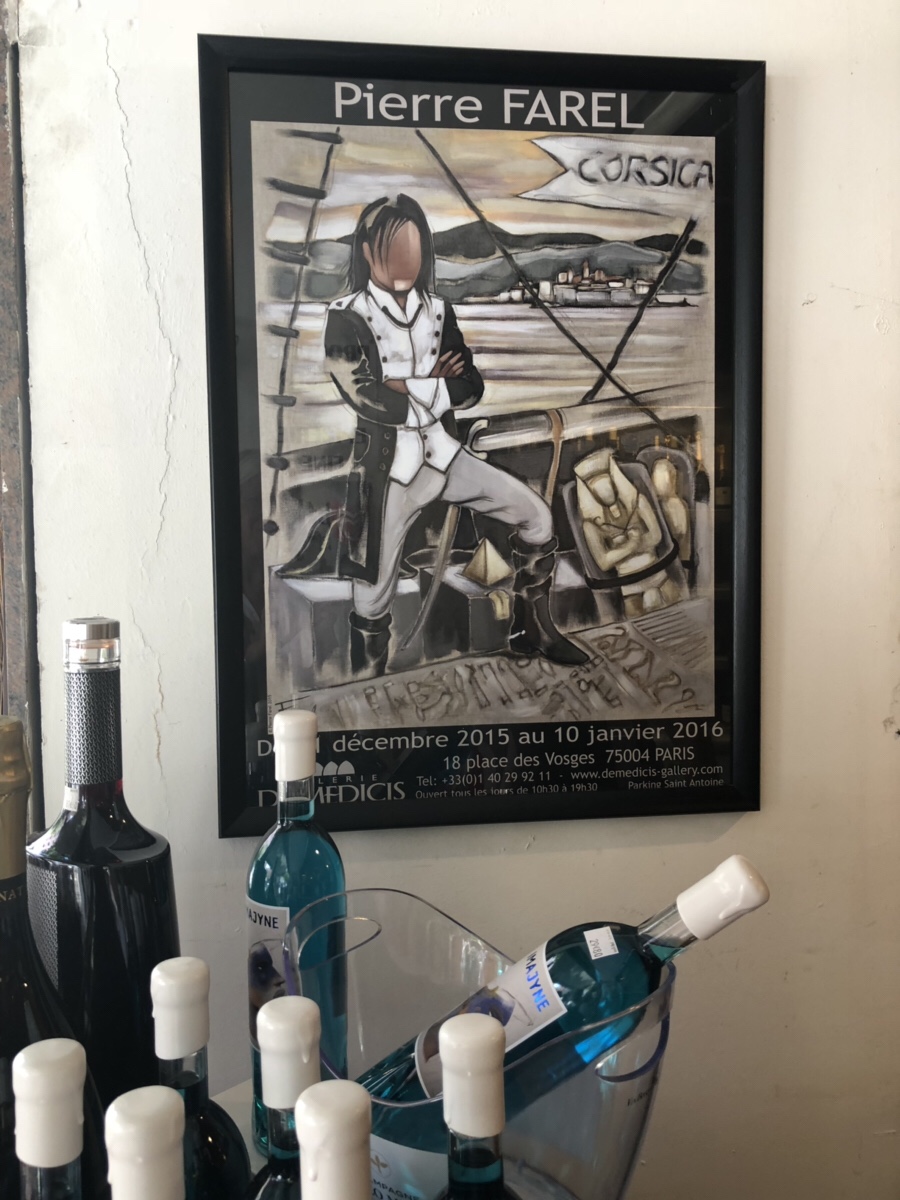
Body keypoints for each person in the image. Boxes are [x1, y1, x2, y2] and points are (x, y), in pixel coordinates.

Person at [317, 194, 587, 677]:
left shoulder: (440, 310)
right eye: (394, 248)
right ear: (367, 251)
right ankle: (366, 679)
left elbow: (470, 387)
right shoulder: (345, 316)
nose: (406, 260)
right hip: (389, 473)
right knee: (371, 596)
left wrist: (407, 384)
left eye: (414, 247)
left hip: (447, 457)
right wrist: (434, 383)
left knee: (536, 517)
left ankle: (533, 629)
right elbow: (367, 398)